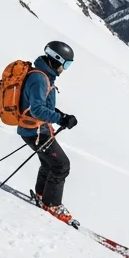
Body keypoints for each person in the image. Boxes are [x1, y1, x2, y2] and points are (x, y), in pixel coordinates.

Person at [19, 40, 79, 222]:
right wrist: (60, 119)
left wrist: (61, 115)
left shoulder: (45, 75)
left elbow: (42, 105)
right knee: (61, 165)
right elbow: (37, 110)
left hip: (34, 130)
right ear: (56, 59)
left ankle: (41, 195)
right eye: (66, 64)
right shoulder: (39, 78)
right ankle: (52, 204)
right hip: (35, 131)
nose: (65, 69)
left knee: (49, 164)